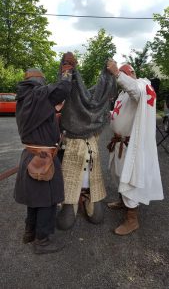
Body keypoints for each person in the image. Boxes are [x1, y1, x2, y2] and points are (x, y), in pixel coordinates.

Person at [14, 52, 77, 254]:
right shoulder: (36, 95)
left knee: (34, 199)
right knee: (48, 201)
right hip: (43, 157)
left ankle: (30, 232)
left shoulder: (24, 99)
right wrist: (67, 71)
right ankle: (42, 242)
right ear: (39, 81)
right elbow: (62, 89)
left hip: (31, 155)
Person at [56, 59, 117, 230]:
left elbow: (99, 99)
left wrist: (112, 75)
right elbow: (63, 89)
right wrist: (67, 71)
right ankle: (72, 201)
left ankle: (87, 197)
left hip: (91, 184)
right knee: (64, 223)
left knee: (98, 218)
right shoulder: (70, 130)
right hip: (70, 183)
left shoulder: (94, 134)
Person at [106, 60, 164, 235]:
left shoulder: (142, 86)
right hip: (119, 142)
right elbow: (119, 112)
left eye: (123, 74)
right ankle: (123, 202)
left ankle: (132, 219)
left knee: (130, 179)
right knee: (118, 174)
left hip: (131, 145)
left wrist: (117, 73)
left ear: (130, 73)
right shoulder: (124, 92)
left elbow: (135, 92)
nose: (119, 78)